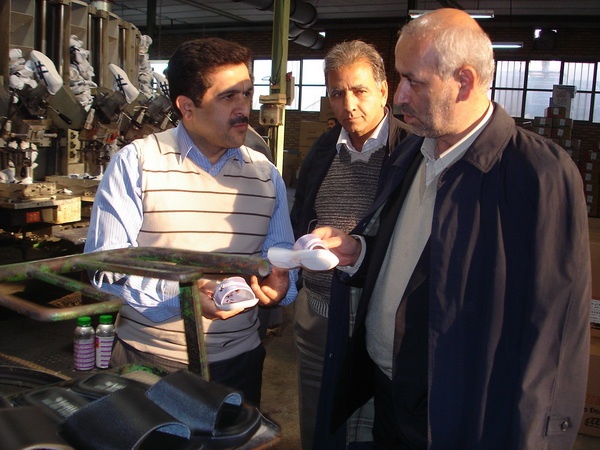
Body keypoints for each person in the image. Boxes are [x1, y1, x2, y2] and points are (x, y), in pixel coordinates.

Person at [313, 9, 591, 449]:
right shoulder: (413, 153)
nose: (399, 96)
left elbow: (552, 334)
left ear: (464, 81)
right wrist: (360, 252)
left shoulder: (537, 175)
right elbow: (414, 257)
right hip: (389, 393)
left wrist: (536, 438)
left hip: (456, 411)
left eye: (413, 81)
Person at [84, 37, 297, 407]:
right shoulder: (137, 163)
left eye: (247, 93)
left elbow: (279, 257)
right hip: (149, 364)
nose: (244, 108)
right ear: (187, 107)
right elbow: (105, 269)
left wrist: (280, 285)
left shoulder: (266, 174)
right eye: (228, 97)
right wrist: (183, 296)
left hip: (239, 364)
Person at [290, 40, 409, 450]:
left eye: (359, 91)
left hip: (373, 321)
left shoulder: (410, 151)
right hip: (317, 316)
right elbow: (302, 212)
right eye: (337, 93)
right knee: (317, 420)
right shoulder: (324, 149)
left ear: (383, 90)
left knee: (368, 425)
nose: (349, 105)